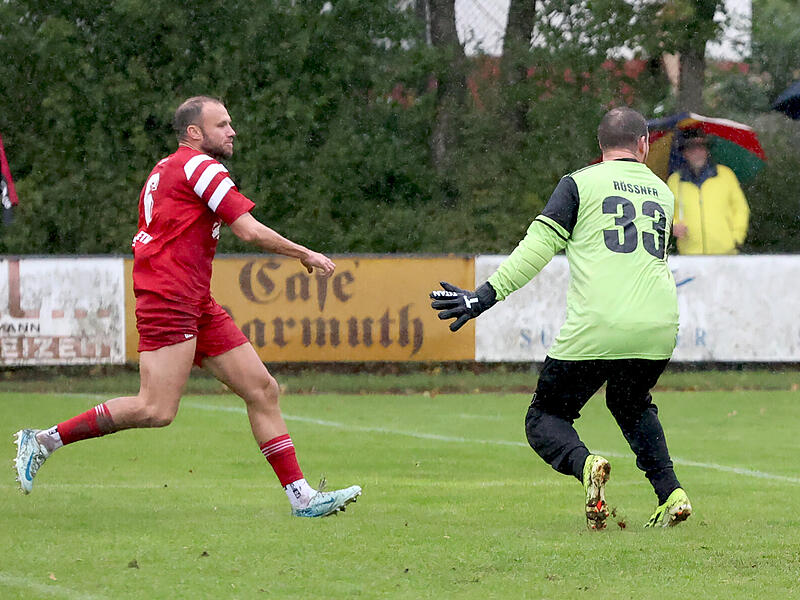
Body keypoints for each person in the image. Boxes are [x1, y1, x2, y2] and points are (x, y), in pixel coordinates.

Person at [14, 96, 361, 518]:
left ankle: (301, 498)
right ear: (194, 133)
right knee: (155, 409)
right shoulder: (201, 167)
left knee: (262, 390)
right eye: (222, 124)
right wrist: (303, 253)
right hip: (170, 298)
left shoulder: (166, 168)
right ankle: (43, 440)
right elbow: (248, 231)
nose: (231, 131)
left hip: (192, 299)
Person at [430, 107, 690, 529]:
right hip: (659, 325)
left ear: (601, 145)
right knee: (630, 402)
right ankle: (672, 493)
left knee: (545, 418)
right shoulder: (663, 193)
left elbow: (537, 249)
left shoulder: (580, 184)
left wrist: (484, 296)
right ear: (643, 145)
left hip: (600, 324)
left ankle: (587, 466)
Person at [669, 129, 750, 254]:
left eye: (701, 147)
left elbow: (741, 208)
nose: (697, 152)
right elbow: (667, 212)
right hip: (689, 255)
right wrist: (673, 226)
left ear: (707, 150)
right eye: (691, 148)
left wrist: (736, 238)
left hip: (726, 254)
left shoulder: (725, 175)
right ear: (684, 153)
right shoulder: (674, 181)